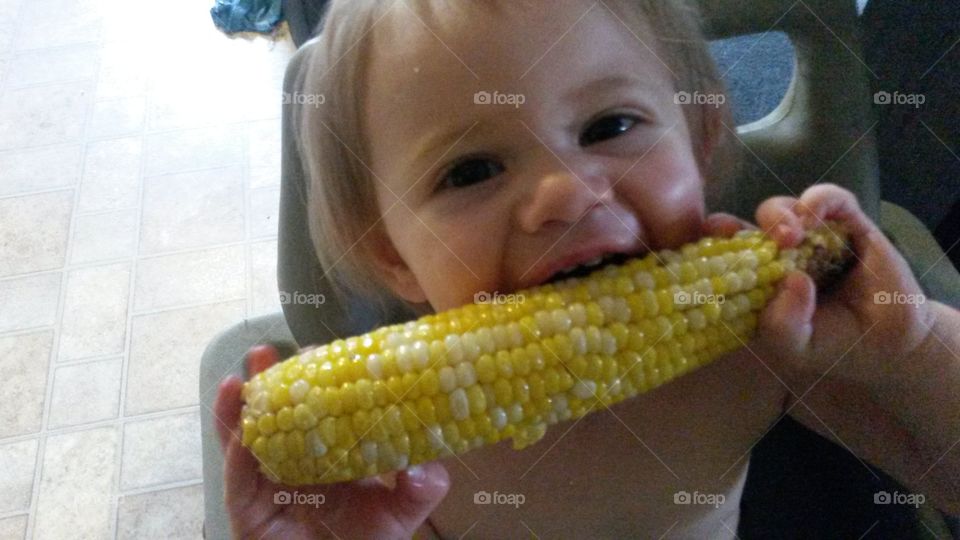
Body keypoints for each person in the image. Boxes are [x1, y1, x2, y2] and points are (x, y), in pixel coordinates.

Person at [214, 0, 960, 537]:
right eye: (471, 170)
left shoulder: (773, 343)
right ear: (391, 256)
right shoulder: (372, 454)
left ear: (700, 145)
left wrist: (914, 350)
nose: (568, 193)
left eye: (610, 126)